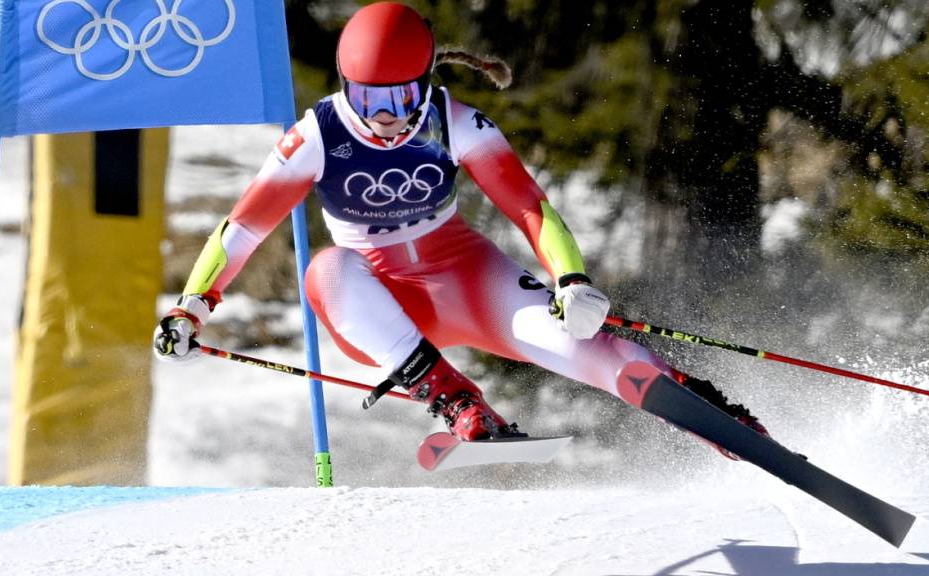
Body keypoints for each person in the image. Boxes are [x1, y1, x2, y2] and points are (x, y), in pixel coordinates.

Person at [154, 2, 767, 453]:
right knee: (327, 269)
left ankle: (707, 413)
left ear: (425, 81)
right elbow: (243, 228)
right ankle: (456, 398)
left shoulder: (456, 122)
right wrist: (190, 308)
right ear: (346, 88)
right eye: (367, 100)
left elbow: (530, 208)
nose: (385, 118)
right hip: (380, 302)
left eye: (398, 97)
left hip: (468, 279)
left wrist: (570, 279)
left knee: (586, 346)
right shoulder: (317, 135)